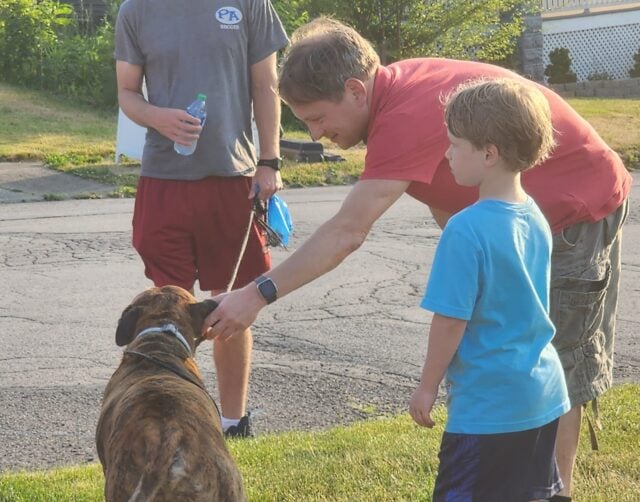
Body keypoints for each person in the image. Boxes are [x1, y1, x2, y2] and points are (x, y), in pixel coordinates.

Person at [204, 16, 631, 492]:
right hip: (532, 214)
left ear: (354, 90)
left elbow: (347, 231)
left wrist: (257, 294)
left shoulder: (404, 115)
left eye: (318, 118)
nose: (319, 135)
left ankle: (558, 487)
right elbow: (442, 191)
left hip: (576, 208)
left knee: (555, 357)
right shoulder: (400, 89)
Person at [114, 0, 288, 437]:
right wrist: (159, 118)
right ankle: (171, 417)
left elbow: (266, 85)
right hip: (164, 178)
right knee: (167, 307)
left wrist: (270, 161)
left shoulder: (249, 4)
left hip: (233, 177)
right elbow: (127, 94)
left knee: (230, 303)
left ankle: (233, 422)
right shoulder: (136, 10)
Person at [408, 77, 570, 501]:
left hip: (488, 406)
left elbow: (450, 321)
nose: (447, 153)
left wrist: (427, 386)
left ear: (489, 153)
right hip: (542, 393)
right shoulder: (533, 213)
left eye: (455, 144)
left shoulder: (466, 229)